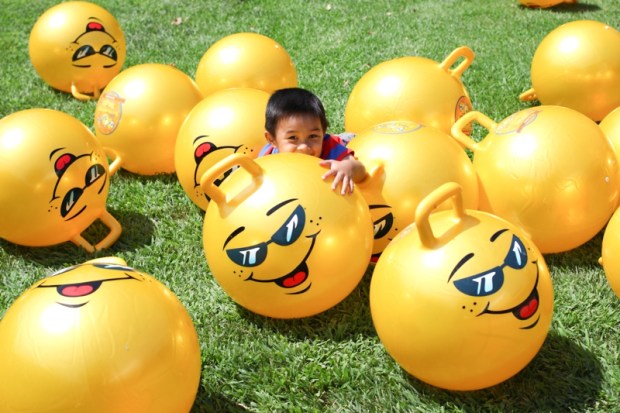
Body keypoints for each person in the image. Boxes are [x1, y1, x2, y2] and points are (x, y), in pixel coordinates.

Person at [259, 87, 366, 195]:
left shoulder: (329, 149)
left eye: (312, 136)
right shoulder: (268, 160)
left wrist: (347, 167)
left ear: (323, 133)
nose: (304, 147)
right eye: (293, 137)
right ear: (272, 140)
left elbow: (361, 170)